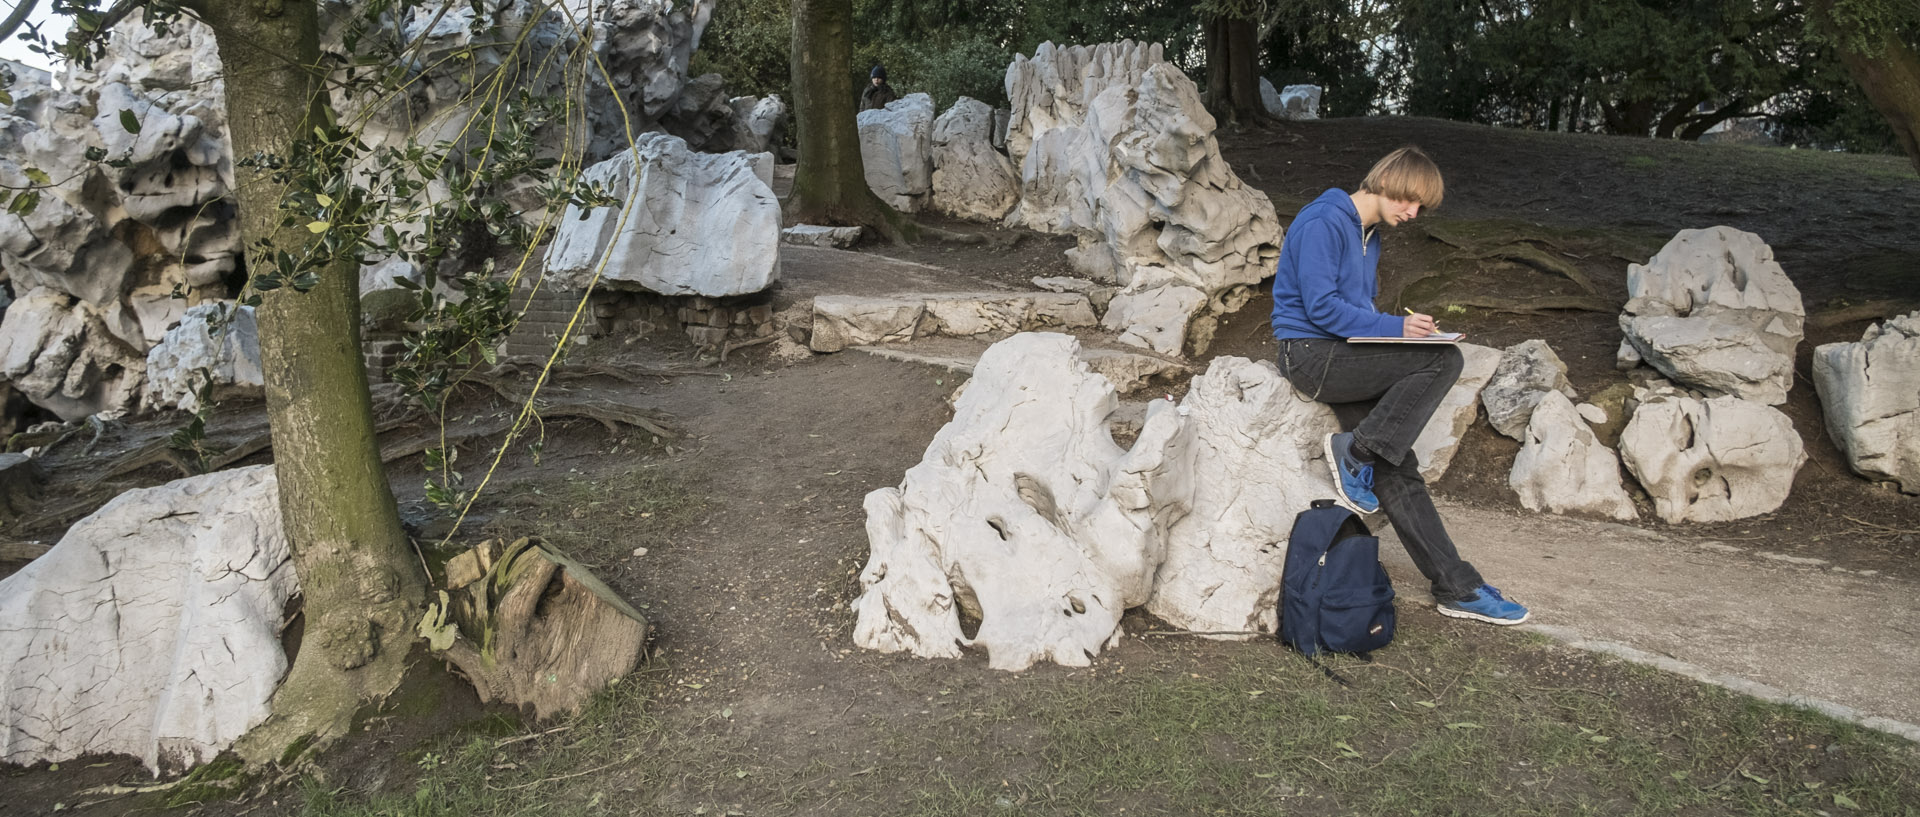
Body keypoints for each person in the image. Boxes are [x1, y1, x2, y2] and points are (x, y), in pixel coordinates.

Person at [1269, 145, 1530, 625]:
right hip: (1307, 355)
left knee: (1396, 462)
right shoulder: (1323, 221)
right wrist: (1396, 330)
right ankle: (1357, 454)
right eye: (1409, 200)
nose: (1412, 213)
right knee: (1443, 362)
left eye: (1420, 207)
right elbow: (1322, 309)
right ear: (1385, 181)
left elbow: (1359, 312)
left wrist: (1404, 331)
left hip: (1341, 353)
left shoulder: (1369, 234)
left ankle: (1457, 585)